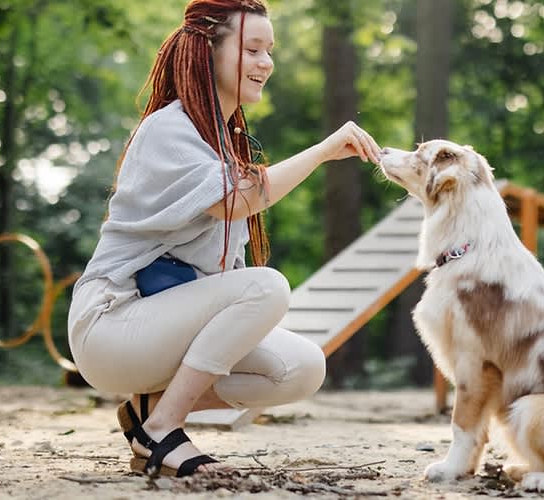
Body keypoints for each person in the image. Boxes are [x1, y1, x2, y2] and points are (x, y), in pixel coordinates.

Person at [66, 0, 382, 478]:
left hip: (160, 328)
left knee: (301, 367)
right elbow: (239, 199)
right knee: (267, 286)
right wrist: (322, 151)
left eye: (269, 51)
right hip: (112, 325)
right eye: (252, 49)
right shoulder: (169, 128)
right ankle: (162, 429)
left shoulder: (221, 143)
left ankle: (147, 412)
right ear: (208, 51)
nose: (266, 63)